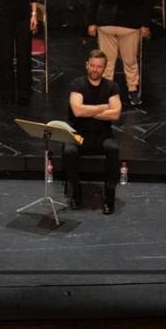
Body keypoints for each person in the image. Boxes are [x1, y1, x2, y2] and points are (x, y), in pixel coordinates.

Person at [86, 0, 151, 108]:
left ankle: (133, 89)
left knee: (130, 61)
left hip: (130, 26)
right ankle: (106, 92)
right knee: (107, 62)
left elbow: (147, 1)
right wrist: (91, 22)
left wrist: (145, 24)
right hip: (105, 24)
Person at [66, 50, 122, 214]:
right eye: (92, 65)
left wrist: (88, 111)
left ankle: (109, 198)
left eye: (99, 66)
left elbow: (116, 114)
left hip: (103, 135)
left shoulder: (112, 86)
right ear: (87, 65)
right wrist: (103, 107)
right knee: (69, 151)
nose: (95, 69)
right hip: (79, 134)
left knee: (113, 148)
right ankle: (76, 194)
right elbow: (77, 111)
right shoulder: (77, 84)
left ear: (104, 68)